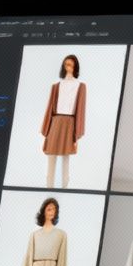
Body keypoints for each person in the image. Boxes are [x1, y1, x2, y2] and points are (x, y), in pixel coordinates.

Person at [40, 54, 85, 188]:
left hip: (70, 123)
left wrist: (77, 134)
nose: (68, 67)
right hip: (55, 122)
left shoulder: (80, 86)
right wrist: (47, 128)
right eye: (66, 64)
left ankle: (65, 188)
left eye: (70, 64)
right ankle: (49, 186)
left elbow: (81, 110)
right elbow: (50, 108)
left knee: (66, 158)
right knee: (51, 156)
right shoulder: (56, 86)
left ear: (75, 67)